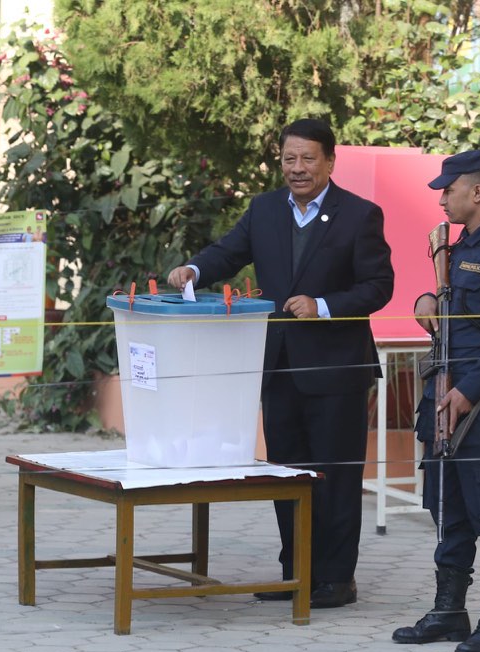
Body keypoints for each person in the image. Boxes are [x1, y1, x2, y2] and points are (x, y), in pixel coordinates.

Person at [168, 118, 394, 609]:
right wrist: (195, 269)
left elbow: (379, 286)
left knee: (334, 477)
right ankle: (295, 574)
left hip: (336, 370)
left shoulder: (359, 215)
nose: (298, 168)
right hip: (278, 367)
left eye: (308, 158)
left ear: (330, 161)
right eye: (289, 158)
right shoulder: (265, 209)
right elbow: (229, 252)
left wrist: (323, 305)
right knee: (288, 475)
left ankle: (336, 580)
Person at [391, 150, 480, 652]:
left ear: (477, 192)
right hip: (442, 394)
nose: (442, 199)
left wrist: (468, 391)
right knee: (447, 509)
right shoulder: (458, 247)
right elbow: (451, 305)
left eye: (448, 190)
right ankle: (449, 611)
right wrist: (425, 301)